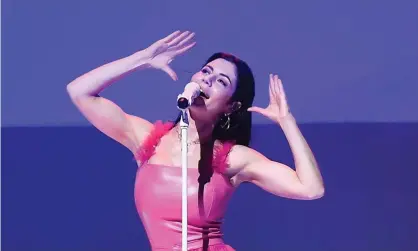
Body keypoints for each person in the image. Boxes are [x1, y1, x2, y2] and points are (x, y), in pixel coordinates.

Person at [67, 30, 324, 251]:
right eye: (205, 72)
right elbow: (79, 92)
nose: (207, 80)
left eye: (221, 81)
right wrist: (141, 60)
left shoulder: (232, 158)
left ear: (231, 106)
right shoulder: (148, 141)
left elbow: (310, 189)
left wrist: (286, 121)